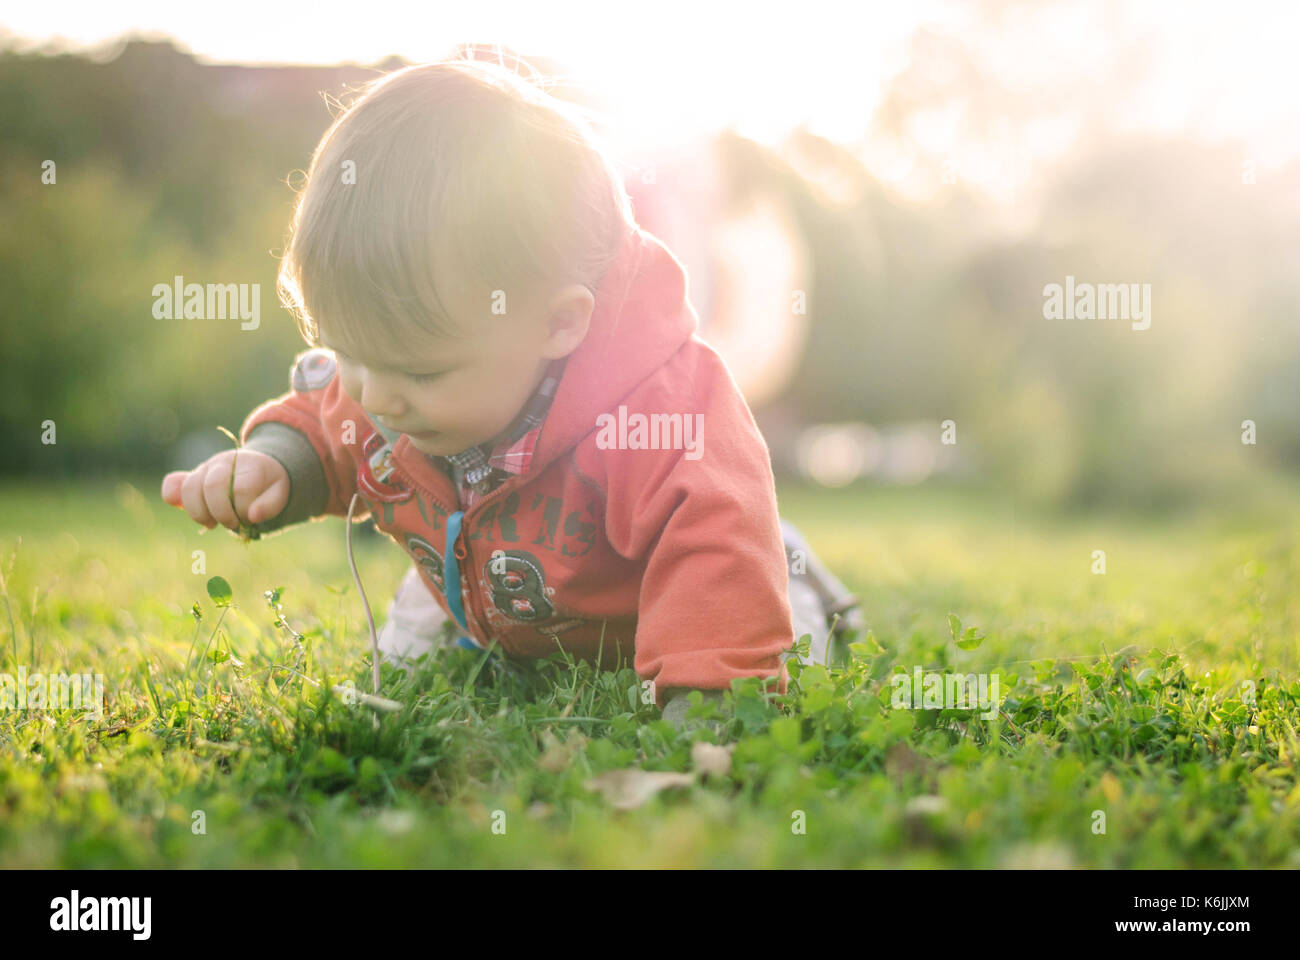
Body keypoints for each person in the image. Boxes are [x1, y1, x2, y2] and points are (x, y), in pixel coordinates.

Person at [159, 56, 861, 732]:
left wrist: (709, 701)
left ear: (558, 323)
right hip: (490, 586)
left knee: (760, 620)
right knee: (409, 665)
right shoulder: (391, 375)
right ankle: (484, 629)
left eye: (422, 374)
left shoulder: (661, 412)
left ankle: (799, 583)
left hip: (650, 598)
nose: (376, 399)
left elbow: (712, 531)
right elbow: (326, 423)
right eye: (347, 355)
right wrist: (277, 464)